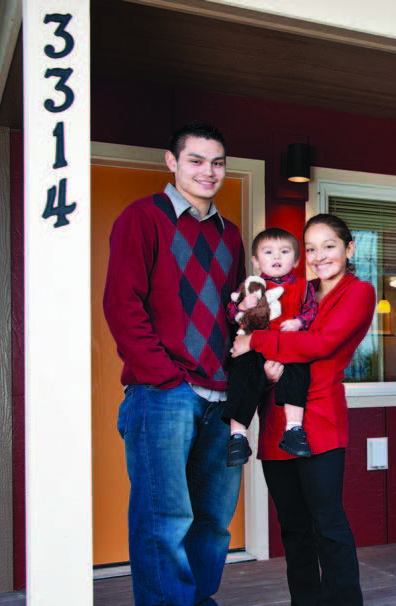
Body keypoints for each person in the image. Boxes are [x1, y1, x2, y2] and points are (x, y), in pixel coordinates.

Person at [103, 120, 247, 606]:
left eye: (217, 163)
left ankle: (199, 600)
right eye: (196, 160)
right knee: (163, 521)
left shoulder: (231, 236)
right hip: (164, 393)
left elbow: (236, 315)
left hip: (223, 397)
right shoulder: (141, 218)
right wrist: (167, 379)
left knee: (212, 521)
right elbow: (122, 306)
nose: (208, 172)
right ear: (172, 162)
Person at [231, 213, 375, 606]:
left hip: (320, 417)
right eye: (310, 248)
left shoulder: (358, 291)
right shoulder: (299, 290)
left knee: (327, 522)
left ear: (349, 248)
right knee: (292, 527)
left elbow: (321, 345)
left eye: (329, 246)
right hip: (277, 418)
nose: (319, 255)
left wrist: (257, 343)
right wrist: (261, 349)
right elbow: (268, 328)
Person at [222, 227, 318, 467]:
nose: (276, 257)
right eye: (268, 252)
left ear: (296, 260)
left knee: (298, 368)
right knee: (241, 370)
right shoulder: (251, 285)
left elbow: (311, 311)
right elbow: (231, 313)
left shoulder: (304, 286)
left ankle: (294, 429)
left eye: (284, 252)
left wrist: (299, 321)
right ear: (256, 260)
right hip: (254, 347)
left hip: (287, 346)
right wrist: (244, 305)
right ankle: (237, 435)